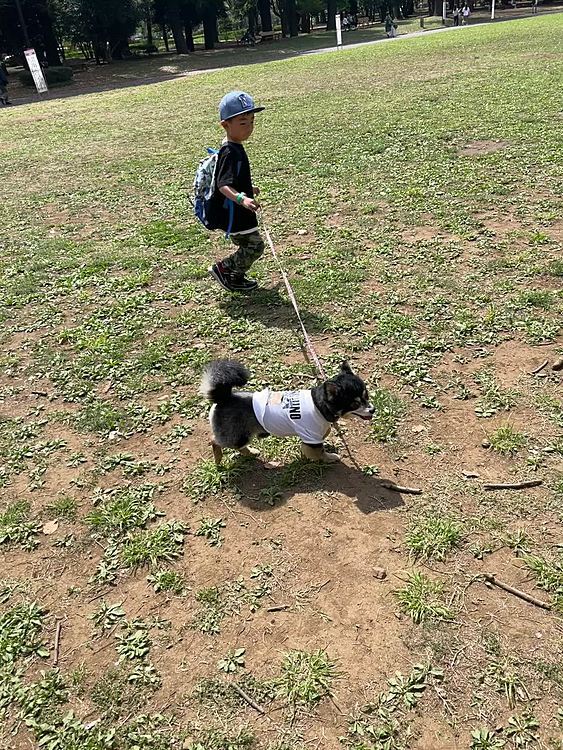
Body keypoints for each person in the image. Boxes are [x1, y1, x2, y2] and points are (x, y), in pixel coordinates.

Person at [207, 91, 266, 293]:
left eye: (251, 121)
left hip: (239, 210)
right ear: (226, 125)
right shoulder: (230, 152)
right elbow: (223, 184)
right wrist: (242, 198)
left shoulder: (235, 147)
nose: (249, 128)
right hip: (235, 213)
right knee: (255, 247)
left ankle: (234, 276)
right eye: (243, 123)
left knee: (251, 246)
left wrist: (249, 189)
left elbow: (234, 179)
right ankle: (225, 269)